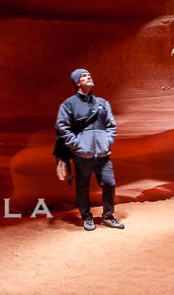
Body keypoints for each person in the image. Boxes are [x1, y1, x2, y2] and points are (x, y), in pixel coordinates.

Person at [55, 68, 125, 231]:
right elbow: (62, 126)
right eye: (84, 76)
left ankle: (108, 216)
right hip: (82, 155)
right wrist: (77, 144)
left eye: (89, 75)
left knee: (109, 183)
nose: (88, 77)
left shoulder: (102, 103)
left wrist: (107, 141)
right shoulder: (69, 104)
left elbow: (111, 126)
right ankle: (87, 217)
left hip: (102, 154)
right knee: (82, 186)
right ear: (77, 83)